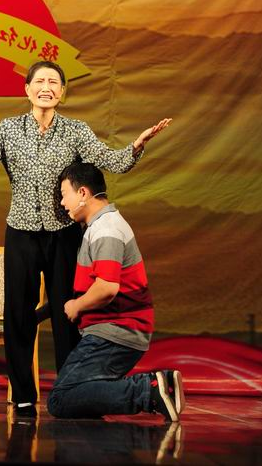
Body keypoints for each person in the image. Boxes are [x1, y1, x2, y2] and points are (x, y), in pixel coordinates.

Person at [0, 61, 171, 414]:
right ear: (27, 89)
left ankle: (71, 391)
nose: (46, 87)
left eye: (53, 82)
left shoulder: (76, 131)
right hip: (21, 233)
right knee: (18, 315)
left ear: (62, 92)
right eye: (39, 81)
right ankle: (24, 396)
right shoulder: (9, 129)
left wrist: (136, 145)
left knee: (66, 315)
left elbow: (109, 160)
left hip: (63, 235)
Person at [47, 161, 184, 420]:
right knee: (75, 393)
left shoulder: (106, 229)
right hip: (114, 330)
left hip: (115, 331)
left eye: (64, 194)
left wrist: (76, 306)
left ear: (83, 193)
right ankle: (160, 384)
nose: (62, 203)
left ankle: (148, 390)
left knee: (60, 399)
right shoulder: (99, 226)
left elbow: (107, 288)